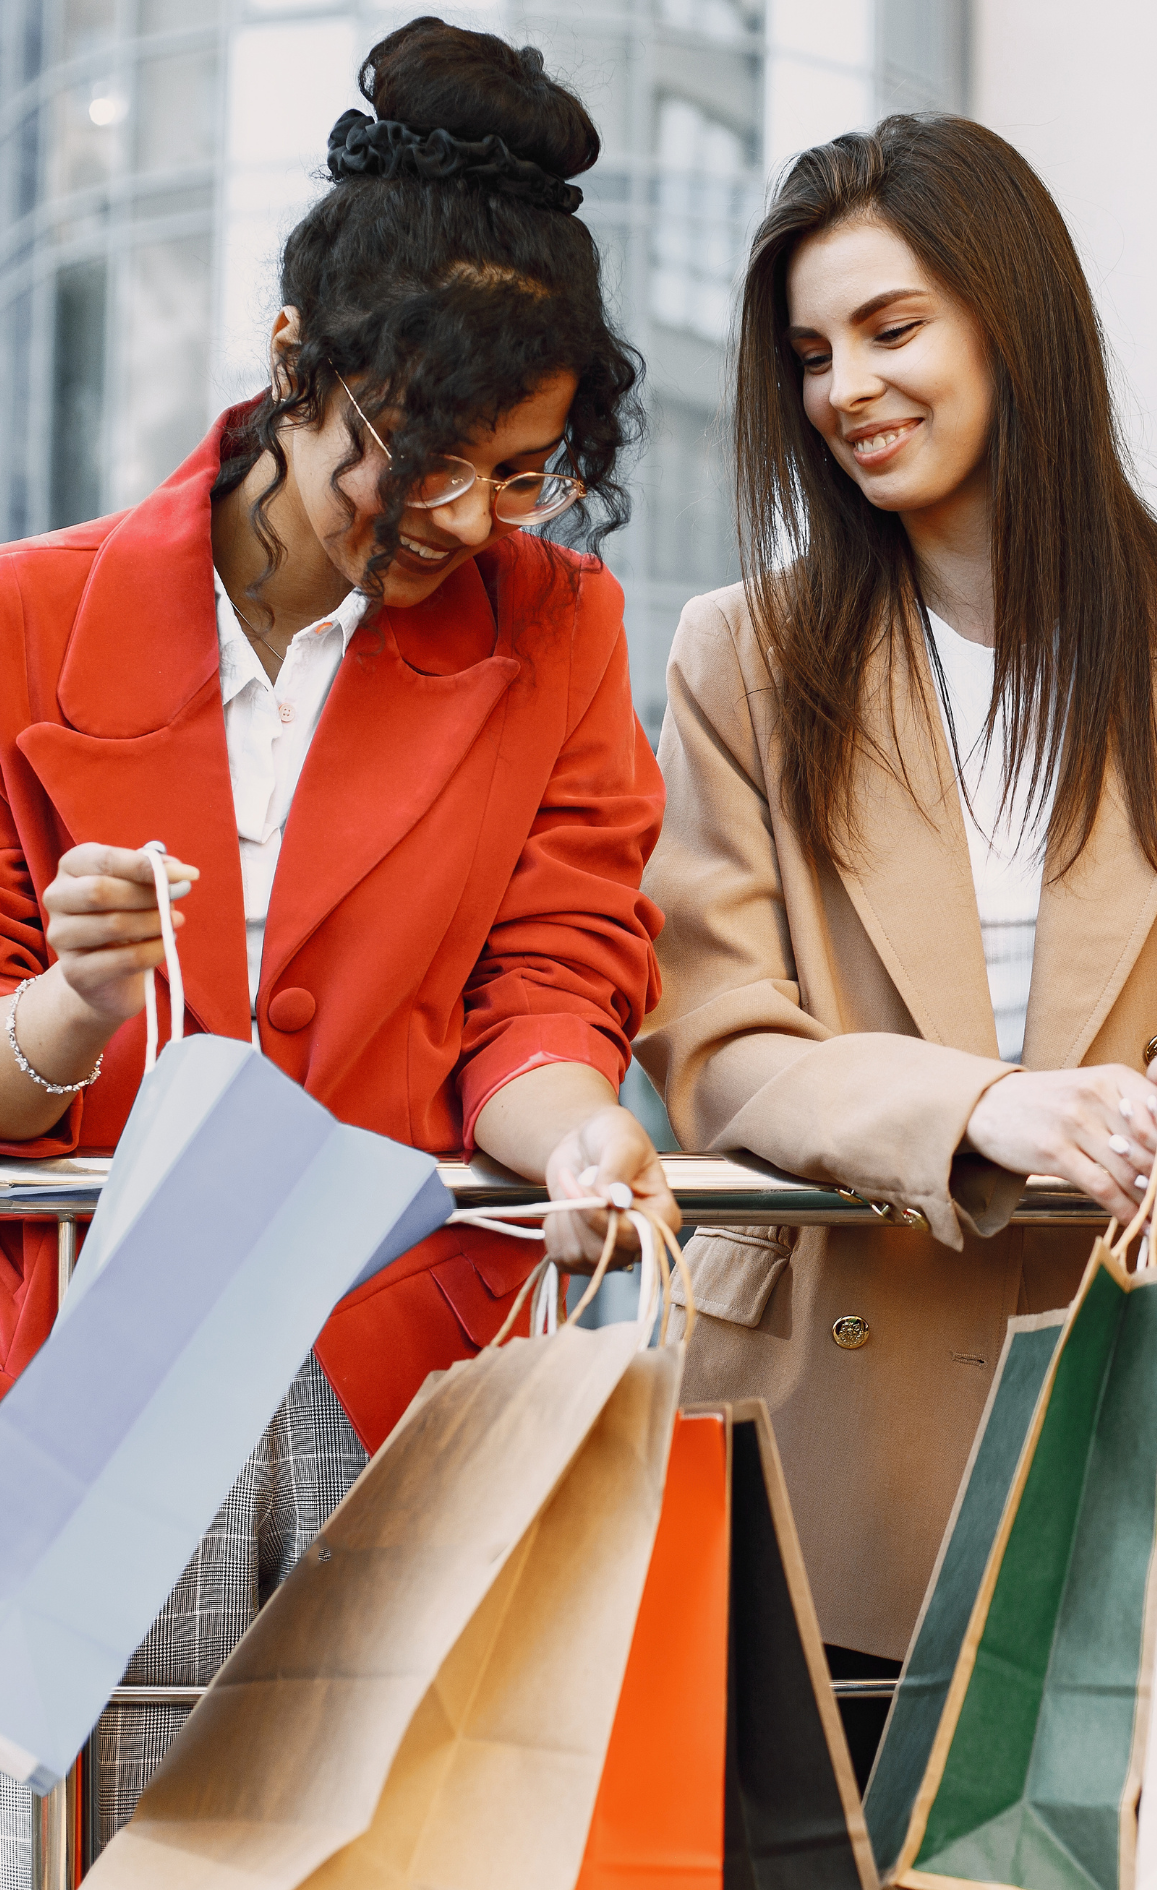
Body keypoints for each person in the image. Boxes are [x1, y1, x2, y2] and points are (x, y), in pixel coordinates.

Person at [637, 112, 1157, 1756]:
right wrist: (983, 1110)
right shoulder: (745, 657)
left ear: (1015, 320)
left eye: (893, 328)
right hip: (828, 1434)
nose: (845, 388)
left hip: (1155, 1399)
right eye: (809, 352)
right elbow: (712, 1043)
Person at [0, 16, 677, 1863]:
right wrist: (67, 999)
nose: (464, 518)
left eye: (523, 469)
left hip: (401, 1367)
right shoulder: (29, 620)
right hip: (90, 1387)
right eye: (419, 454)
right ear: (293, 360)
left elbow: (550, 978)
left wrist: (581, 1132)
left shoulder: (559, 633)